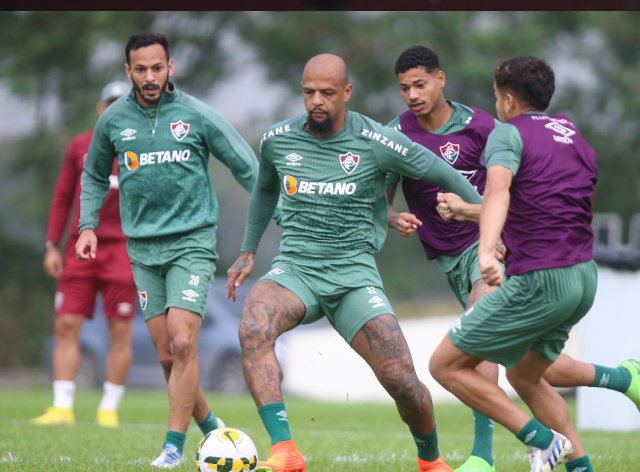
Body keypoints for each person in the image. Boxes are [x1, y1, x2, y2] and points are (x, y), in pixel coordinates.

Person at [226, 53, 484, 472]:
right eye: (309, 92)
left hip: (353, 275)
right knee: (253, 325)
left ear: (346, 92)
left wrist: (491, 222)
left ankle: (431, 460)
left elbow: (446, 174)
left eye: (327, 93)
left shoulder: (378, 140)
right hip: (296, 269)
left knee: (402, 380)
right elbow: (263, 190)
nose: (316, 101)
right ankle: (284, 451)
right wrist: (248, 250)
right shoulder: (277, 139)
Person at [388, 46, 640, 472]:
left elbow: (501, 192)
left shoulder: (505, 130)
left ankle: (534, 442)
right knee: (526, 374)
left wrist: (487, 249)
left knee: (445, 365)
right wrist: (469, 210)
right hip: (583, 275)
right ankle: (586, 457)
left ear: (507, 99)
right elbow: (543, 199)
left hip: (539, 277)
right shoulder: (570, 131)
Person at [76, 33, 260, 468]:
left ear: (170, 67)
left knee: (182, 341)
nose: (150, 76)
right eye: (140, 69)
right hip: (142, 250)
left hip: (191, 243)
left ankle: (174, 447)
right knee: (166, 353)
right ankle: (212, 427)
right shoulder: (114, 120)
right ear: (128, 72)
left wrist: (282, 215)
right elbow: (93, 174)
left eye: (157, 68)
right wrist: (87, 226)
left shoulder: (196, 114)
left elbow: (247, 165)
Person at [31, 81, 134, 428]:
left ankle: (108, 408)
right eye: (111, 103)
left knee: (119, 329)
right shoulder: (80, 146)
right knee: (66, 323)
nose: (116, 109)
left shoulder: (146, 147)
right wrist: (51, 245)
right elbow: (62, 197)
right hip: (80, 247)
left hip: (123, 250)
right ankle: (62, 406)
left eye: (124, 103)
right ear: (99, 107)